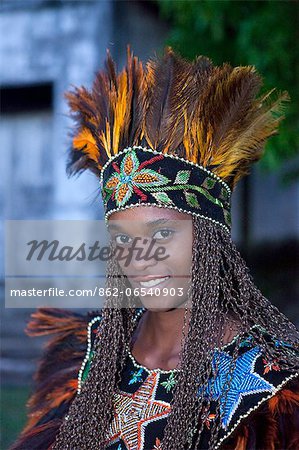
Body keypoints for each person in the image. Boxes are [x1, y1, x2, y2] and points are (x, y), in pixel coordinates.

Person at [12, 46, 299, 450]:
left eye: (163, 234)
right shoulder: (86, 353)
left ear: (210, 236)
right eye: (123, 238)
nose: (140, 257)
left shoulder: (274, 388)